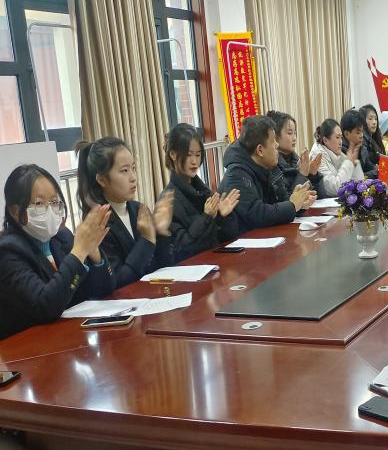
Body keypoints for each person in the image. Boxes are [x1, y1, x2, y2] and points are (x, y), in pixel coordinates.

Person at [0, 165, 114, 339]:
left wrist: (94, 253)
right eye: (39, 203)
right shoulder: (7, 252)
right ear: (15, 211)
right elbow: (45, 306)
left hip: (69, 337)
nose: (50, 210)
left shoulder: (62, 236)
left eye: (54, 202)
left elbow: (103, 289)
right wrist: (79, 251)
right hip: (29, 346)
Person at [76, 137, 174, 288]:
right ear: (102, 180)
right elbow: (118, 281)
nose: (133, 178)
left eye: (133, 168)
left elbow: (164, 267)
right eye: (124, 171)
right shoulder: (98, 223)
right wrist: (147, 240)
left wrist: (161, 233)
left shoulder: (139, 209)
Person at [219, 115, 315, 234]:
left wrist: (298, 203)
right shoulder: (237, 174)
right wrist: (292, 205)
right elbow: (257, 214)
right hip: (244, 241)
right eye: (273, 141)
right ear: (260, 150)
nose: (277, 145)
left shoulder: (265, 166)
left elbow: (279, 202)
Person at [162, 123, 241, 262]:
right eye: (188, 155)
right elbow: (183, 249)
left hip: (215, 263)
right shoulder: (168, 200)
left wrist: (223, 217)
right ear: (173, 154)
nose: (195, 161)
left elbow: (226, 238)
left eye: (198, 155)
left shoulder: (202, 191)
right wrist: (206, 217)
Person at [267, 110, 326, 197]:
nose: (294, 138)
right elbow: (290, 201)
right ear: (275, 135)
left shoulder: (297, 160)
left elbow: (320, 198)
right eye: (289, 133)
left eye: (295, 133)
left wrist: (313, 175)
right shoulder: (272, 164)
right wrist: (302, 174)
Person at [310, 117, 365, 198]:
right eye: (337, 137)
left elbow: (360, 185)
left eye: (341, 137)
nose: (341, 142)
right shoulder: (317, 157)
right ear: (325, 140)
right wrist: (349, 163)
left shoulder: (336, 153)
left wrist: (354, 163)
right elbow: (336, 189)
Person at [340, 109, 378, 179]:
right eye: (358, 133)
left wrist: (364, 175)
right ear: (346, 134)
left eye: (362, 131)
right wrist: (364, 176)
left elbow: (374, 170)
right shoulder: (341, 151)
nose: (361, 135)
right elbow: (350, 178)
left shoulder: (362, 148)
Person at [359, 104, 385, 170]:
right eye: (370, 119)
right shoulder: (361, 140)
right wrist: (376, 169)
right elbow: (367, 166)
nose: (374, 122)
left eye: (375, 119)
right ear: (362, 121)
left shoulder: (375, 139)